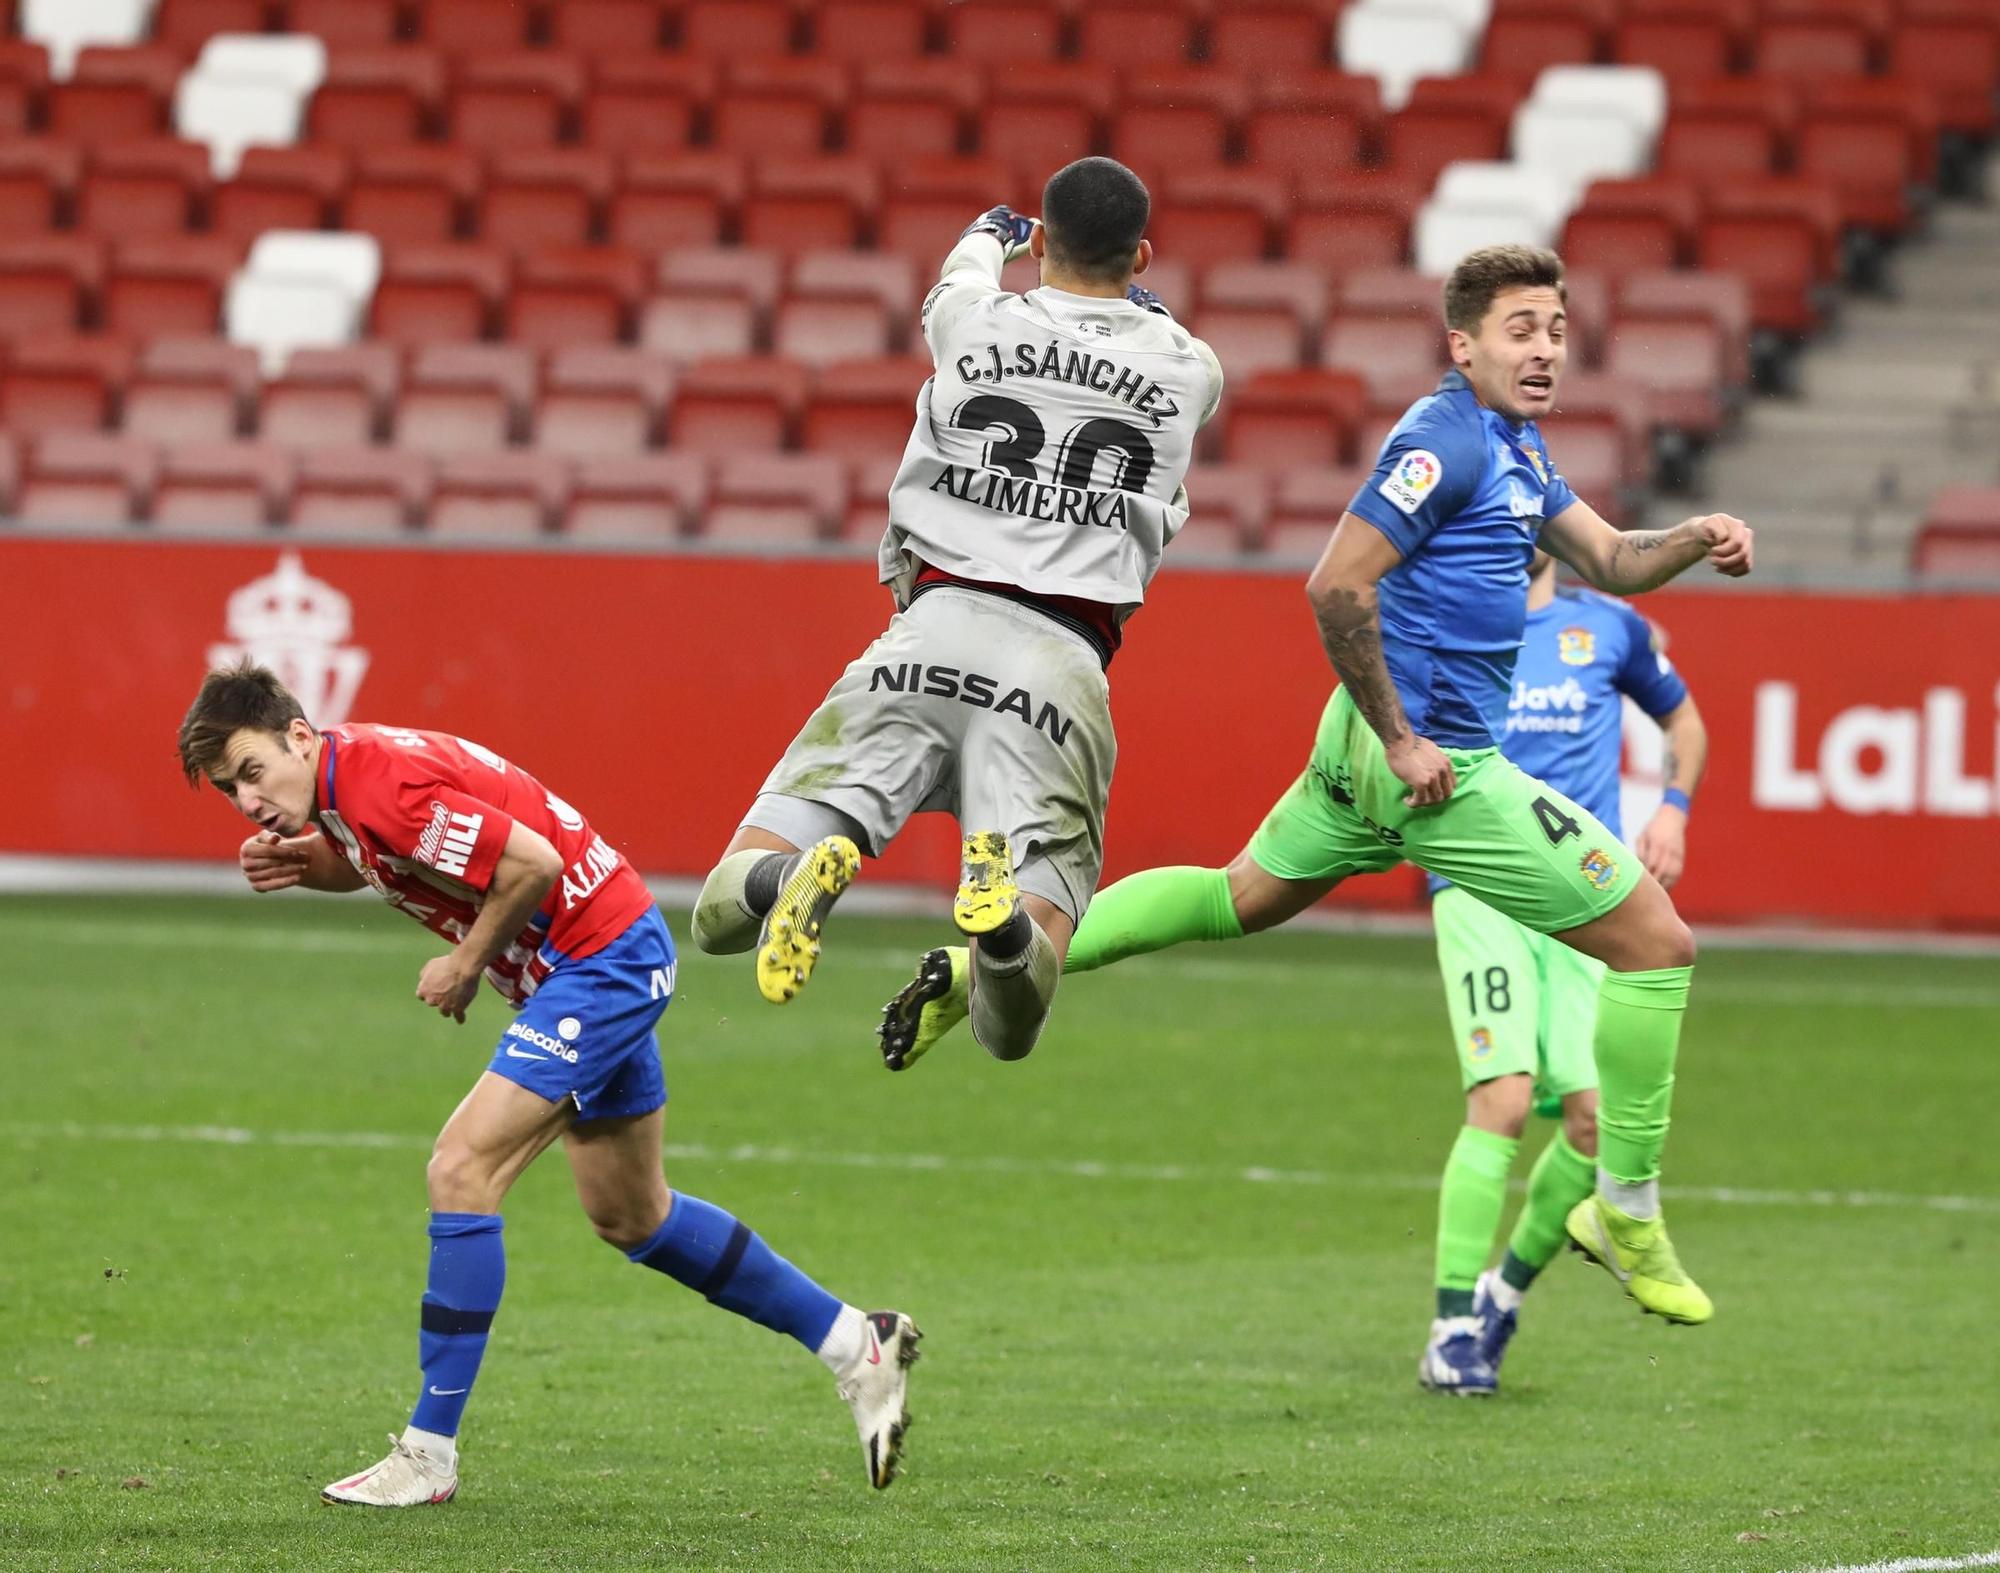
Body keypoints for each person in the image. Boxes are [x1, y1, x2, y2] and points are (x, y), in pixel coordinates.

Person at [885, 245, 1752, 1335]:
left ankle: (975, 970)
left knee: (1232, 896)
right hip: (1430, 768)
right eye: (1520, 330)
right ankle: (1622, 1210)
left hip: (1365, 752)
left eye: (1555, 329)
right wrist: (1400, 740)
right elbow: (1334, 583)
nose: (1542, 349)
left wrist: (1693, 539)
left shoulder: (1516, 450)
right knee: (1656, 943)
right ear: (1463, 344)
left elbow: (1616, 560)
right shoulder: (1442, 439)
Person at [176, 662, 919, 1508]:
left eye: (253, 771)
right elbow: (397, 854)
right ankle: (858, 1342)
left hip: (599, 964)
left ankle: (428, 1452)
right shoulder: (349, 784)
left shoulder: (380, 783)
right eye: (232, 788)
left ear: (299, 737)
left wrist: (464, 962)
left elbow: (525, 862)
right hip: (601, 958)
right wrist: (313, 864)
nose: (247, 799)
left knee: (461, 1167)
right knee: (633, 1215)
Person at [687, 156, 1223, 1074]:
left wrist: (993, 232)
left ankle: (796, 877)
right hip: (1060, 662)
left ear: (1043, 243)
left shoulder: (972, 320)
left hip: (928, 633)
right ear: (1140, 256)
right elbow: (1152, 330)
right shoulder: (1190, 371)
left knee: (721, 909)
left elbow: (961, 268)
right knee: (1010, 1023)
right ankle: (1004, 923)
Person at [1420, 548, 1708, 1395]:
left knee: (1592, 1123)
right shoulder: (1450, 622)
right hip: (1479, 888)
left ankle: (1498, 1300)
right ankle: (1448, 1327)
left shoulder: (1606, 627)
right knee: (1503, 1099)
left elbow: (1685, 723)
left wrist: (1673, 812)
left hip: (1586, 902)